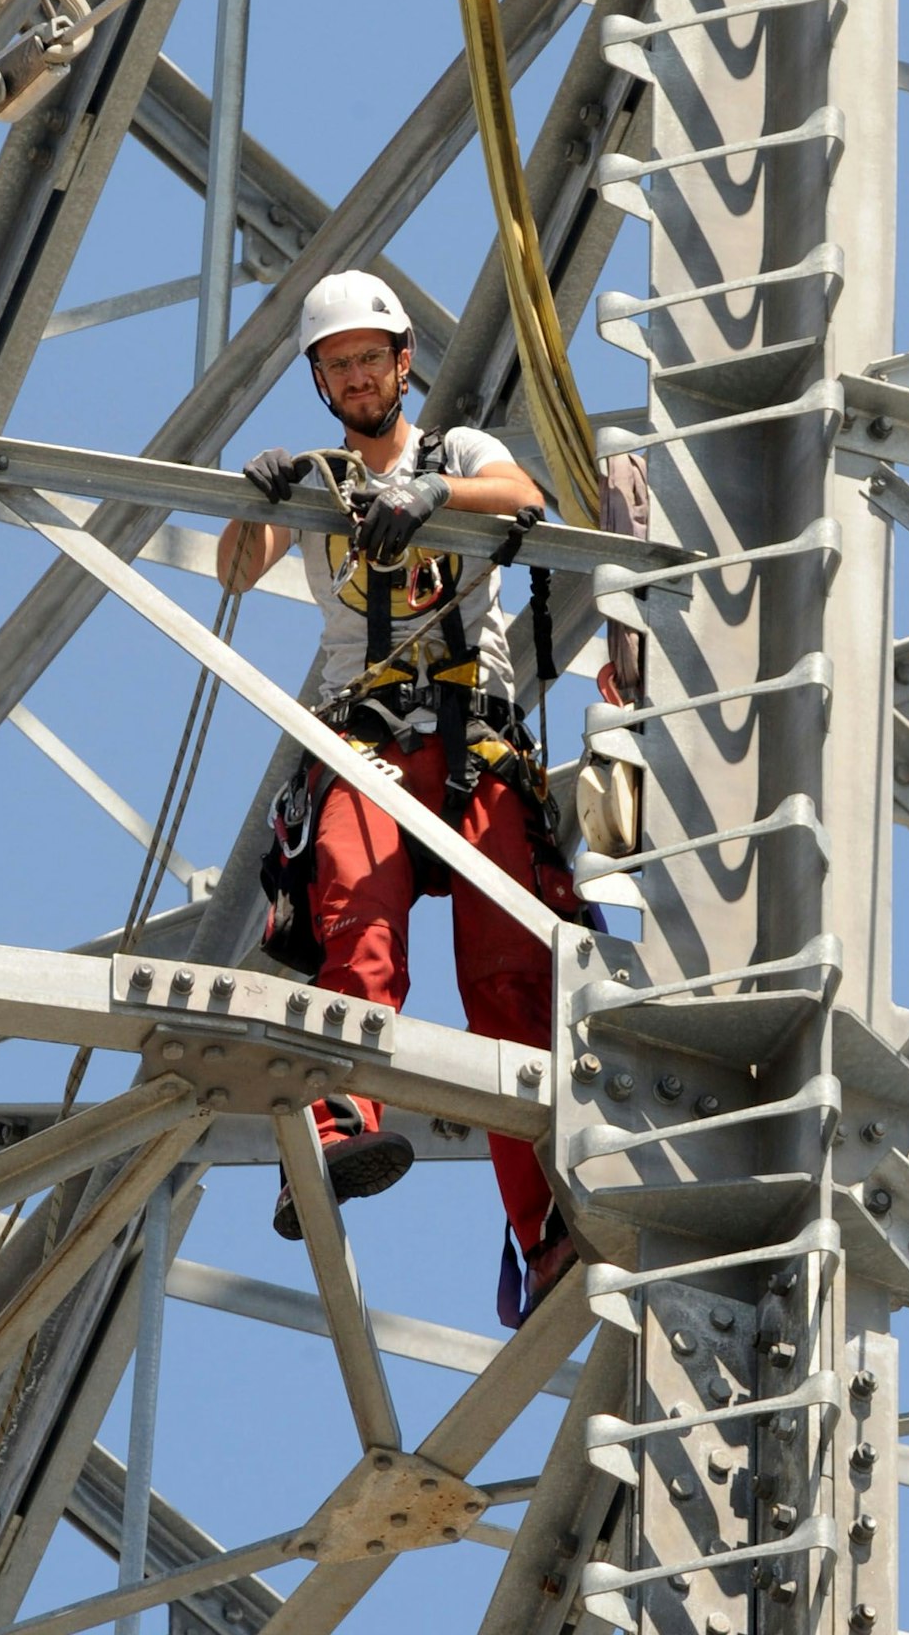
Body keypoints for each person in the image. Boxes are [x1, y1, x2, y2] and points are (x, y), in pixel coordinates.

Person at [216, 268, 580, 1324]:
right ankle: (330, 1134)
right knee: (357, 942)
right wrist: (260, 496)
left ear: (402, 360)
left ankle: (543, 1224)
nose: (357, 376)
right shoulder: (323, 479)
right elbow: (240, 569)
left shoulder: (453, 455)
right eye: (337, 365)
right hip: (364, 745)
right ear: (320, 382)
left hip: (474, 749)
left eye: (369, 358)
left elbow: (523, 498)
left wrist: (428, 497)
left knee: (509, 985)